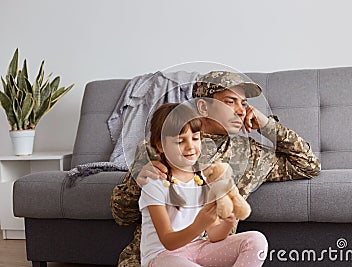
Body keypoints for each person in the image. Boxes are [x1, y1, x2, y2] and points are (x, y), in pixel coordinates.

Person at [111, 71, 321, 266]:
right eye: (231, 102)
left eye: (244, 103)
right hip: (157, 259)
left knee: (255, 242)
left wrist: (267, 125)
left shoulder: (252, 155)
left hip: (213, 254)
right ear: (203, 107)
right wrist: (136, 181)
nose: (241, 110)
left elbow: (309, 165)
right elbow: (122, 216)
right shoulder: (158, 147)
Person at [138, 102, 267, 266]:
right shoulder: (155, 184)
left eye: (195, 138)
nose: (190, 146)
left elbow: (213, 235)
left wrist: (229, 222)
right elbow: (168, 241)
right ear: (160, 145)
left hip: (198, 249)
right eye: (180, 141)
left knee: (256, 240)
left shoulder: (203, 181)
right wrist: (199, 225)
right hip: (163, 257)